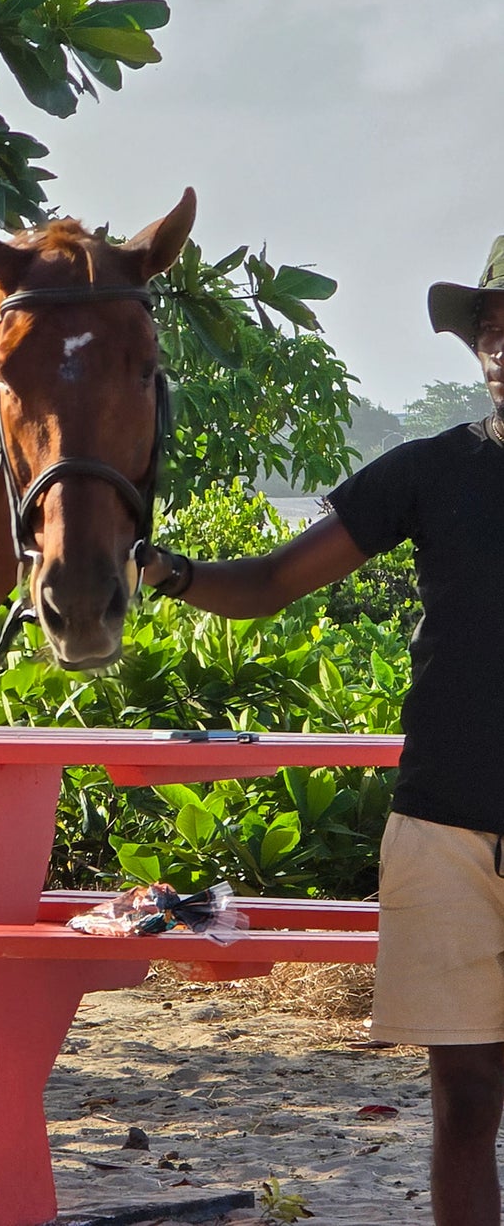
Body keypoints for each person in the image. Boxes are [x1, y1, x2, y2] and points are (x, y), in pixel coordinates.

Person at [141, 238, 504, 1226]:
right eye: (488, 325)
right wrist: (168, 571)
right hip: (443, 832)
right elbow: (267, 582)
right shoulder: (428, 472)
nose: (499, 344)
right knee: (465, 1098)